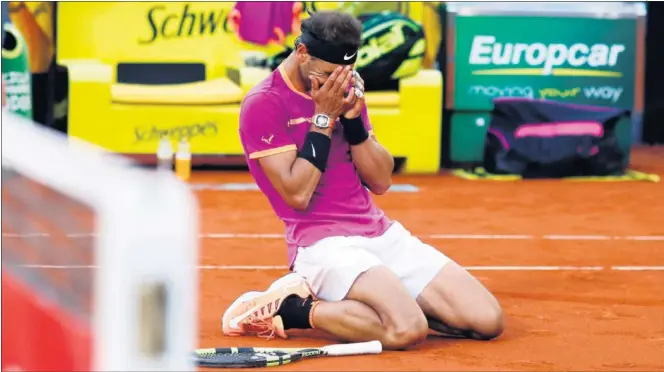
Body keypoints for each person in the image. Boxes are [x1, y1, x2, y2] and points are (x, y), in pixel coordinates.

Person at [223, 11, 504, 350]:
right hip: (321, 244)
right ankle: (292, 309)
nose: (335, 83)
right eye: (327, 74)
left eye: (345, 74)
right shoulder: (264, 103)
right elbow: (296, 194)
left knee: (487, 320)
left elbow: (382, 181)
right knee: (406, 329)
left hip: (378, 232)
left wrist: (355, 124)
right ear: (301, 53)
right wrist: (324, 117)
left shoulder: (343, 88)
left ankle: (382, 306)